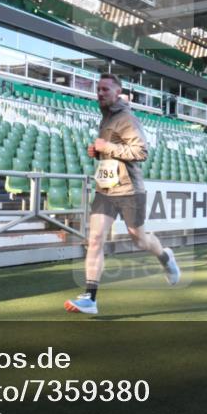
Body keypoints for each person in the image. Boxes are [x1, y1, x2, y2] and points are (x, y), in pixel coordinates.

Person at [65, 74, 180, 315]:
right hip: (106, 188)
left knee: (139, 239)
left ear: (117, 93)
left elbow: (141, 152)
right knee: (95, 239)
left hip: (129, 190)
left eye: (106, 89)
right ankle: (90, 298)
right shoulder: (106, 116)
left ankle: (165, 257)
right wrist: (98, 153)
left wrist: (108, 148)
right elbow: (112, 151)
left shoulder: (127, 118)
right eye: (98, 89)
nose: (100, 93)